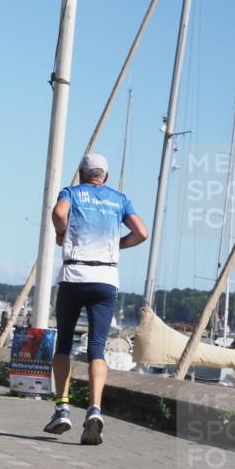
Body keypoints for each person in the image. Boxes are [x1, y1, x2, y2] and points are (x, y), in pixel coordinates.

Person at [43, 153, 147, 445]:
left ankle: (62, 407)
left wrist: (62, 234)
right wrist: (116, 244)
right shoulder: (119, 199)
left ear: (81, 174)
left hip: (75, 275)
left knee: (64, 343)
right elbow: (142, 232)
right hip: (105, 278)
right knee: (97, 348)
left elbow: (59, 213)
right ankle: (95, 408)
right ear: (106, 176)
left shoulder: (72, 193)